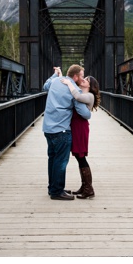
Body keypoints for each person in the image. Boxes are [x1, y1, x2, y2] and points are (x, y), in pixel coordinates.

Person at [42, 65, 92, 201]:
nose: (82, 78)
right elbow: (85, 114)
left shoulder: (55, 81)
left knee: (52, 159)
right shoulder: (74, 89)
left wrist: (56, 74)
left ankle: (52, 188)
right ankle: (57, 192)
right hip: (62, 129)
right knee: (61, 161)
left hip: (47, 128)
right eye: (81, 75)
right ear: (75, 76)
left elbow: (45, 86)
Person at [59, 75, 100, 199]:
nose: (83, 80)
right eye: (84, 78)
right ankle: (84, 186)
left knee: (81, 157)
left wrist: (67, 82)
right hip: (75, 127)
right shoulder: (81, 92)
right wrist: (61, 76)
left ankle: (89, 189)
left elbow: (77, 96)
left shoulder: (90, 96)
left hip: (80, 128)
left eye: (86, 80)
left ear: (90, 85)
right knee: (78, 157)